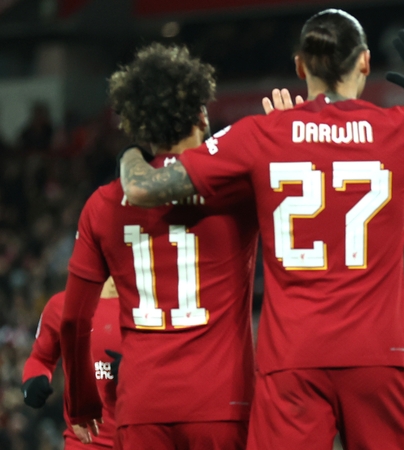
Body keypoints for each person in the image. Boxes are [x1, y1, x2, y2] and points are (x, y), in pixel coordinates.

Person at [117, 9, 404, 450]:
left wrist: (134, 151)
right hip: (378, 353)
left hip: (292, 358)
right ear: (365, 62)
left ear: (299, 66)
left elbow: (142, 188)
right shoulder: (402, 129)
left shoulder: (260, 134)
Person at [60, 43, 259, 449]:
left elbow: (74, 321)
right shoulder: (238, 189)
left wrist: (82, 403)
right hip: (222, 400)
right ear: (201, 114)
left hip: (142, 405)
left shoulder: (102, 204)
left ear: (140, 126)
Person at [22, 277, 121, 448]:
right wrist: (33, 380)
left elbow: (177, 364)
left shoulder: (154, 309)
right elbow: (41, 358)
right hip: (84, 442)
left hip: (144, 439)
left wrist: (138, 368)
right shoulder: (62, 306)